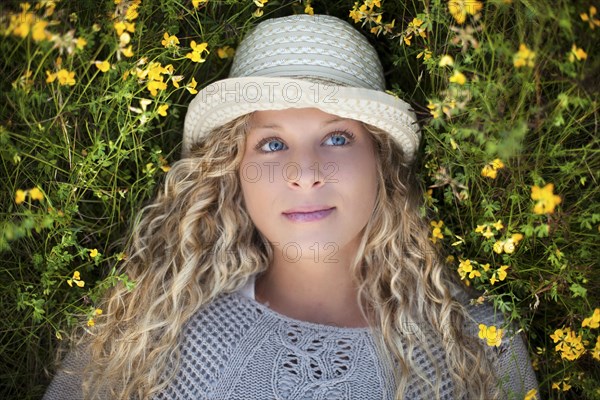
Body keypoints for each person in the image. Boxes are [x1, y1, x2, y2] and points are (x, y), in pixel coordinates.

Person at [43, 14, 539, 400]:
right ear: (232, 170)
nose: (305, 172)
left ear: (381, 164)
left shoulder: (481, 348)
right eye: (272, 145)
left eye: (337, 138)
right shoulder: (152, 334)